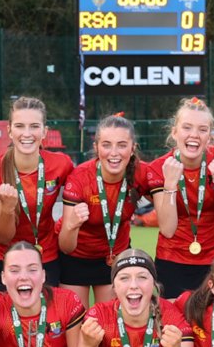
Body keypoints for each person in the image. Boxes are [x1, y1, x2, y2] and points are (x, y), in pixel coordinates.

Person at [64, 249, 195, 347]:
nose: (133, 285)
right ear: (114, 287)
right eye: (124, 278)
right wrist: (87, 346)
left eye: (142, 277)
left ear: (153, 283)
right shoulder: (99, 315)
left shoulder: (169, 315)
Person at [58, 114, 167, 305]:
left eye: (122, 145)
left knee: (111, 319)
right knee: (75, 319)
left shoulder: (141, 173)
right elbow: (66, 246)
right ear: (96, 147)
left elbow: (167, 214)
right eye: (106, 145)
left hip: (116, 256)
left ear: (132, 148)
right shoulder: (80, 178)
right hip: (75, 256)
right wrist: (71, 225)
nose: (114, 153)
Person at [0, 97, 74, 290]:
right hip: (0, 256)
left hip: (45, 255)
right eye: (20, 126)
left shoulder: (61, 164)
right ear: (9, 130)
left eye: (34, 126)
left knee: (47, 310)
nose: (27, 134)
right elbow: (3, 237)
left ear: (44, 131)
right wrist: (8, 209)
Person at [151, 98, 214, 297]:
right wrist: (170, 185)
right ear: (175, 132)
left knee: (213, 316)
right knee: (173, 317)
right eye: (187, 127)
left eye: (202, 129)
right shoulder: (159, 167)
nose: (194, 135)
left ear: (210, 136)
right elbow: (167, 229)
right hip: (171, 260)